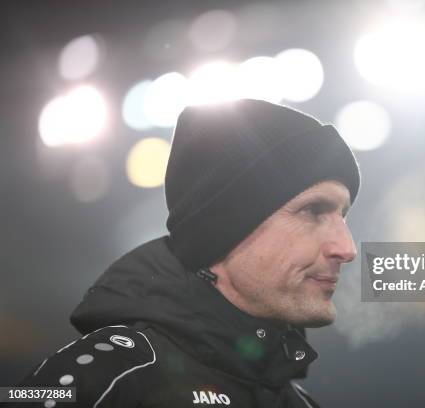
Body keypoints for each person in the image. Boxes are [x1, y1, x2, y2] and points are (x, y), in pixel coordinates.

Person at [5, 99, 360, 407]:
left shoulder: (298, 402)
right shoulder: (99, 379)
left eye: (342, 216)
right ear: (223, 230)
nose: (346, 249)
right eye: (313, 211)